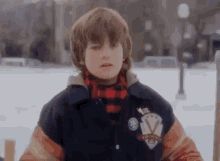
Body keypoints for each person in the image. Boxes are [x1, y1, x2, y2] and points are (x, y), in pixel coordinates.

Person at [20, 7, 202, 161]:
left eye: (114, 45)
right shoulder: (61, 111)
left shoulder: (153, 105)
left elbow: (186, 154)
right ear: (80, 54)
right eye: (96, 47)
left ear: (124, 51)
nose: (106, 54)